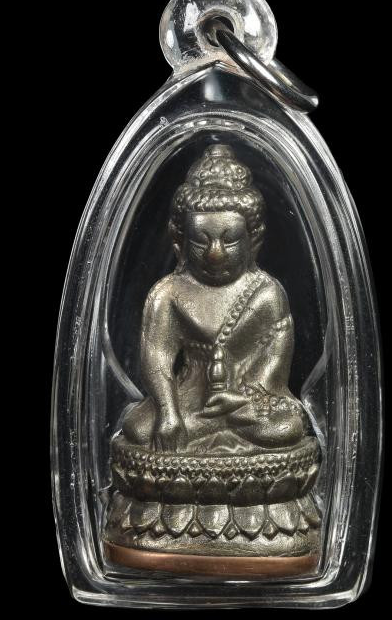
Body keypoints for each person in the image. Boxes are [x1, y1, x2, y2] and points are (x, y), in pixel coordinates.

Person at [119, 144, 311, 455]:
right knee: (138, 429)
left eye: (230, 240)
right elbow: (156, 357)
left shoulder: (267, 294)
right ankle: (205, 430)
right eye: (201, 240)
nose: (215, 253)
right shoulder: (168, 293)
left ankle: (213, 431)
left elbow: (274, 365)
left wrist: (242, 401)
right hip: (188, 402)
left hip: (247, 403)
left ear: (253, 239)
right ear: (180, 241)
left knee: (287, 428)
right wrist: (169, 413)